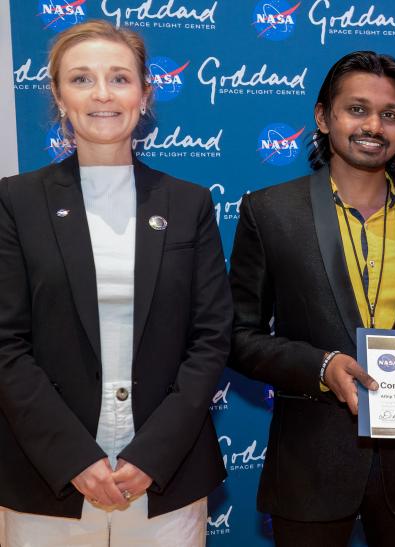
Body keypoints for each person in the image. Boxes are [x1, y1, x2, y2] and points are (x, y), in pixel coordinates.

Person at [229, 51, 395, 547]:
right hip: (309, 467)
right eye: (357, 109)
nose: (374, 126)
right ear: (323, 118)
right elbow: (237, 336)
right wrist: (322, 366)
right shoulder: (270, 211)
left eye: (389, 114)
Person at [0, 20, 232, 546]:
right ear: (59, 96)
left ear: (145, 95)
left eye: (119, 78)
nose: (102, 94)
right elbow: (5, 343)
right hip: (48, 480)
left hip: (163, 480)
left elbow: (212, 336)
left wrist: (150, 457)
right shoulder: (14, 202)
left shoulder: (188, 203)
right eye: (81, 79)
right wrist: (74, 458)